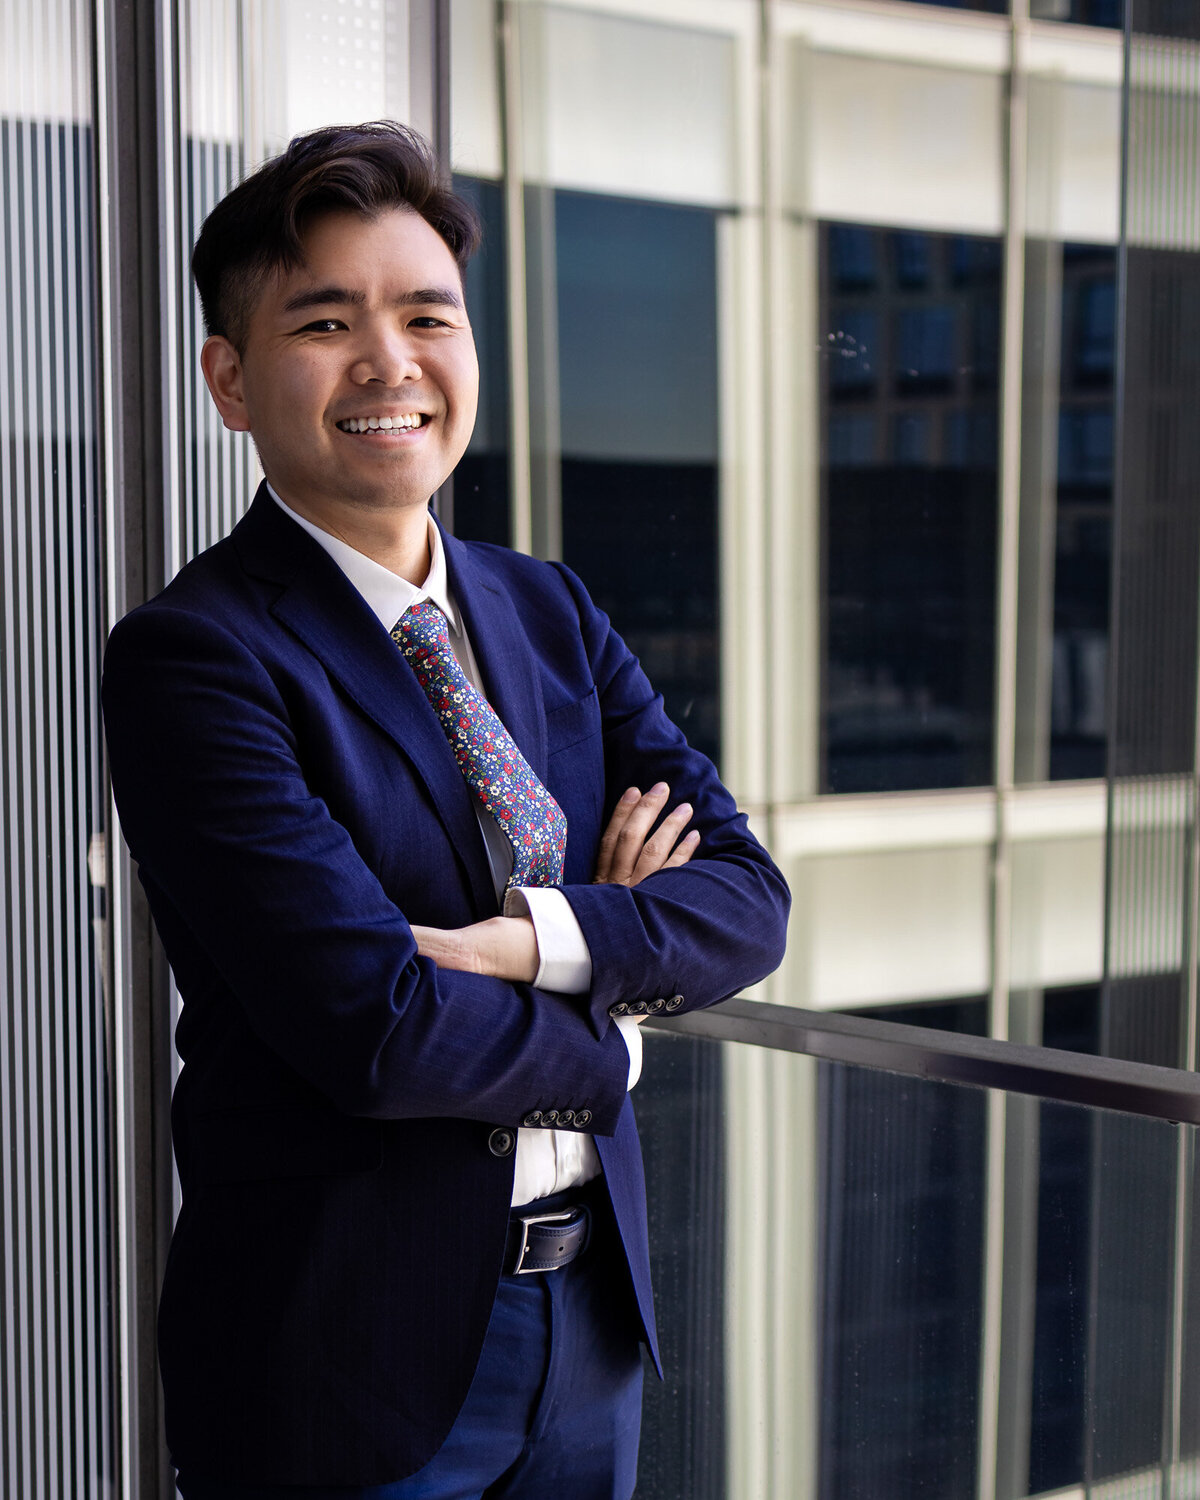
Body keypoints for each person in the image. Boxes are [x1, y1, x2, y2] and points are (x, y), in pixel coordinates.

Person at [102, 121, 790, 1500]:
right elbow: (370, 1025)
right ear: (229, 382)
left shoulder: (548, 608)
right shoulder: (197, 655)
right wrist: (620, 1036)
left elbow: (745, 901)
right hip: (340, 1354)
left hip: (587, 1322)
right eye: (325, 321)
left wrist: (536, 940)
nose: (389, 362)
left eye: (428, 315)